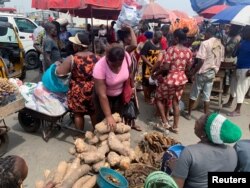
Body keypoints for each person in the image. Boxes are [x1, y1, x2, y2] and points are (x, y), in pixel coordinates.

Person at [172, 113, 242, 188]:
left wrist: (176, 169)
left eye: (198, 121)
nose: (196, 121)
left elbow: (177, 186)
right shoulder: (232, 152)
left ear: (204, 134)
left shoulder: (189, 152)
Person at [56, 33, 99, 130]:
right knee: (93, 112)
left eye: (74, 43)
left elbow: (59, 73)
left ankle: (80, 136)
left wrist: (59, 65)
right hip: (93, 88)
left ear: (78, 46)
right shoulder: (96, 57)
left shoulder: (72, 58)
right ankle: (97, 133)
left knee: (78, 114)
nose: (72, 45)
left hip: (77, 90)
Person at [152, 29, 192, 133]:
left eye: (174, 37)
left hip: (171, 78)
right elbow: (188, 67)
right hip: (182, 78)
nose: (173, 39)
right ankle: (175, 127)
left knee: (158, 98)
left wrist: (156, 74)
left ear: (177, 38)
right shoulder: (189, 51)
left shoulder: (171, 49)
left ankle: (165, 122)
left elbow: (165, 66)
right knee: (175, 102)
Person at [184, 26, 225, 120]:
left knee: (194, 93)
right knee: (207, 96)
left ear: (208, 33)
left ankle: (189, 114)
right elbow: (221, 61)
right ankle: (207, 117)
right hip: (212, 72)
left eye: (206, 33)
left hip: (203, 72)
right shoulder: (220, 45)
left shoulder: (205, 43)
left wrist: (193, 72)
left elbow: (201, 61)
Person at [93, 44, 135, 129]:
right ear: (107, 59)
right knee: (103, 122)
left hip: (119, 95)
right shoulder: (100, 67)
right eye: (113, 65)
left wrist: (132, 87)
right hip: (104, 97)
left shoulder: (126, 56)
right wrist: (108, 116)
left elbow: (130, 73)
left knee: (117, 118)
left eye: (119, 65)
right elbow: (102, 95)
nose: (116, 68)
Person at [227, 25, 250, 117]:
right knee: (233, 86)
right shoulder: (242, 42)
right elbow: (233, 54)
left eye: (245, 31)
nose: (242, 33)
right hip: (238, 67)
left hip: (246, 69)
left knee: (241, 88)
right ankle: (229, 102)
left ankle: (238, 110)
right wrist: (237, 45)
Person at [140, 31, 163, 104]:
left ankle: (149, 96)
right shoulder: (148, 44)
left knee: (152, 82)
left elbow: (160, 54)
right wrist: (150, 65)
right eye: (158, 39)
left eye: (160, 39)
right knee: (146, 82)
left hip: (155, 67)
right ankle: (146, 97)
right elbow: (142, 55)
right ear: (154, 37)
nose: (159, 40)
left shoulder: (159, 44)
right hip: (147, 66)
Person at [222, 25, 242, 99]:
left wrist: (222, 44)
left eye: (231, 28)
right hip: (231, 59)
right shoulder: (237, 37)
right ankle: (225, 91)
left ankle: (225, 91)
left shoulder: (236, 38)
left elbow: (228, 49)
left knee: (227, 76)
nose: (230, 30)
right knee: (228, 76)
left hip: (230, 59)